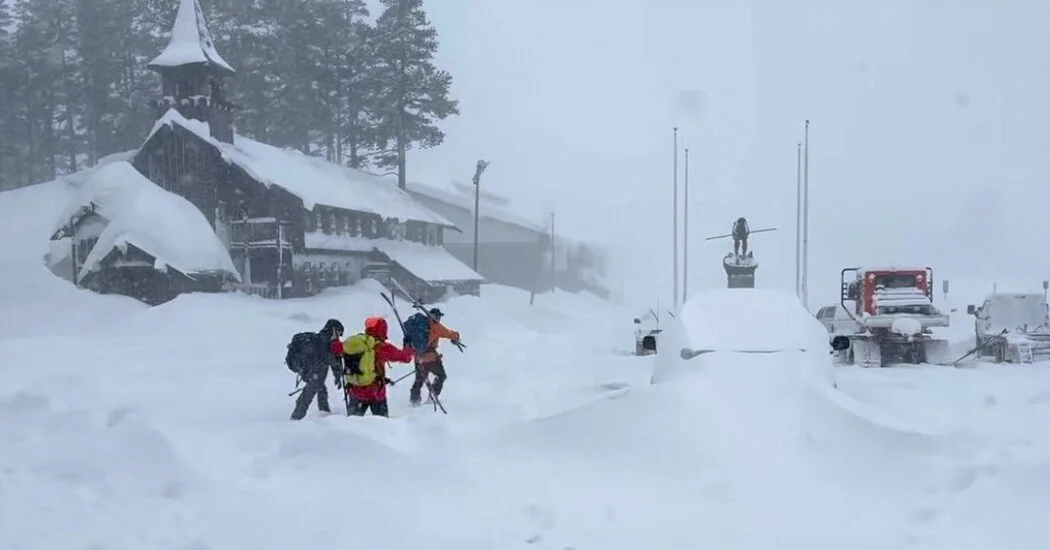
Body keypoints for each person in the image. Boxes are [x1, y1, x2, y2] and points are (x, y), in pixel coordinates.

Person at [338, 316, 414, 417]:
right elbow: (406, 358)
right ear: (383, 330)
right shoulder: (382, 347)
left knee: (353, 424)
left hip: (355, 390)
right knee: (382, 426)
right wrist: (408, 346)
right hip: (376, 392)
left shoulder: (356, 345)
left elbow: (337, 349)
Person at [288, 319, 344, 421]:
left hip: (311, 371)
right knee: (310, 392)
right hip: (313, 372)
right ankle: (296, 418)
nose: (339, 337)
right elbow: (329, 359)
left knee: (321, 388)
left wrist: (337, 375)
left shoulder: (321, 339)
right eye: (339, 333)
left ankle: (323, 413)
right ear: (334, 330)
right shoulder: (325, 340)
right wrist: (338, 372)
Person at [410, 308, 462, 407]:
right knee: (441, 376)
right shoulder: (435, 326)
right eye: (439, 317)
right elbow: (449, 333)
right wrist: (457, 336)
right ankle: (432, 398)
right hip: (431, 359)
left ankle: (414, 402)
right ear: (436, 316)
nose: (440, 319)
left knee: (419, 380)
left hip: (418, 358)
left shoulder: (420, 325)